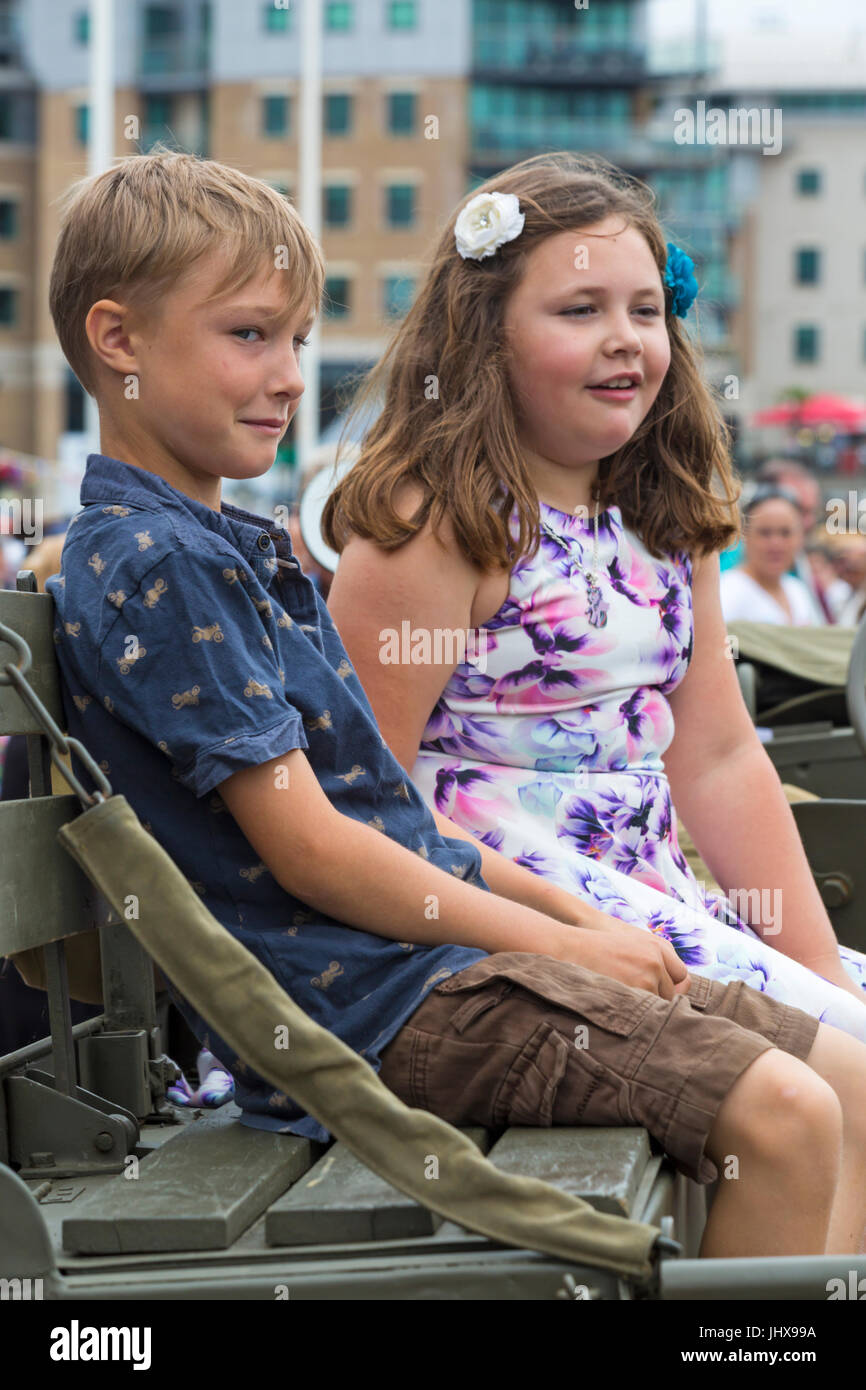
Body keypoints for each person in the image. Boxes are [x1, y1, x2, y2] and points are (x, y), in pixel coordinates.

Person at [44, 146, 866, 1259]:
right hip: (373, 992)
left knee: (833, 1083)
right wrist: (562, 934)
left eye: (295, 338)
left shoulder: (224, 550)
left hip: (435, 949)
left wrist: (580, 927)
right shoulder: (163, 561)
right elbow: (320, 852)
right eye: (252, 336)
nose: (292, 375)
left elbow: (381, 813)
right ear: (118, 341)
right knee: (792, 1108)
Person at [323, 151, 866, 1043]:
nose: (626, 337)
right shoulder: (437, 523)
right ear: (484, 333)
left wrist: (808, 959)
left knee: (841, 1019)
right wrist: (549, 923)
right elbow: (365, 792)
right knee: (835, 1067)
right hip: (504, 903)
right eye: (581, 310)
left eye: (646, 310)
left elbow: (721, 756)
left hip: (645, 882)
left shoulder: (665, 514)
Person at [719, 486, 826, 626]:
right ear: (744, 535)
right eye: (765, 533)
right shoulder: (729, 591)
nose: (776, 544)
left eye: (785, 533)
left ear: (800, 537)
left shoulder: (796, 590)